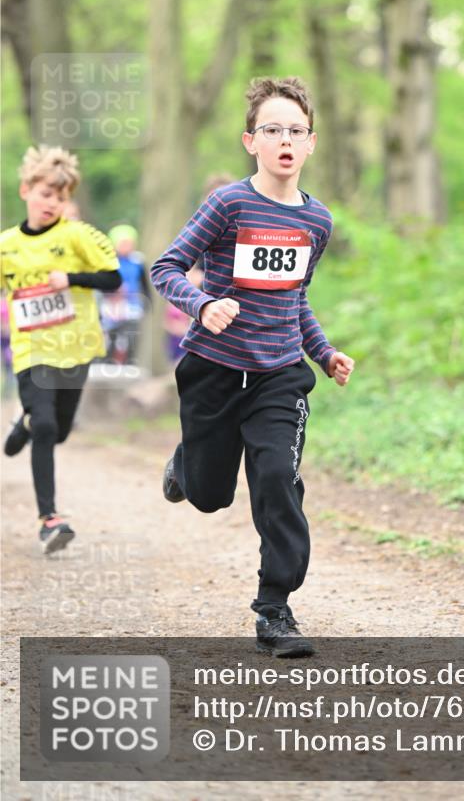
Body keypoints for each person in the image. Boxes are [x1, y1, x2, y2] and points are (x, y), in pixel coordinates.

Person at [151, 76, 355, 657]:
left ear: (311, 143)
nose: (285, 139)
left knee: (276, 480)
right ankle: (188, 463)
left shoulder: (318, 222)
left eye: (295, 130)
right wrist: (203, 304)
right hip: (214, 368)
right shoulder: (228, 203)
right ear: (251, 142)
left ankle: (275, 610)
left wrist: (324, 352)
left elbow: (296, 300)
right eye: (272, 130)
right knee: (210, 495)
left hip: (280, 374)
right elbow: (166, 267)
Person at [0, 146, 121, 553]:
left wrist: (70, 278)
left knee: (60, 430)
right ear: (25, 191)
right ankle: (50, 519)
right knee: (48, 427)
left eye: (60, 196)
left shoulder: (77, 235)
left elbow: (114, 279)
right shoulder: (6, 245)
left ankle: (25, 423)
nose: (51, 202)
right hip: (31, 348)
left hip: (77, 346)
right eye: (45, 193)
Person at [100, 224, 150, 364]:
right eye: (123, 243)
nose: (127, 246)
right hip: (111, 305)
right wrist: (112, 290)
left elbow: (144, 284)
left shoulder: (138, 260)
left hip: (132, 304)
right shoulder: (107, 260)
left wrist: (147, 303)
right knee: (111, 335)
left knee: (131, 334)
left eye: (130, 243)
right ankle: (107, 362)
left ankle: (130, 362)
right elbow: (100, 283)